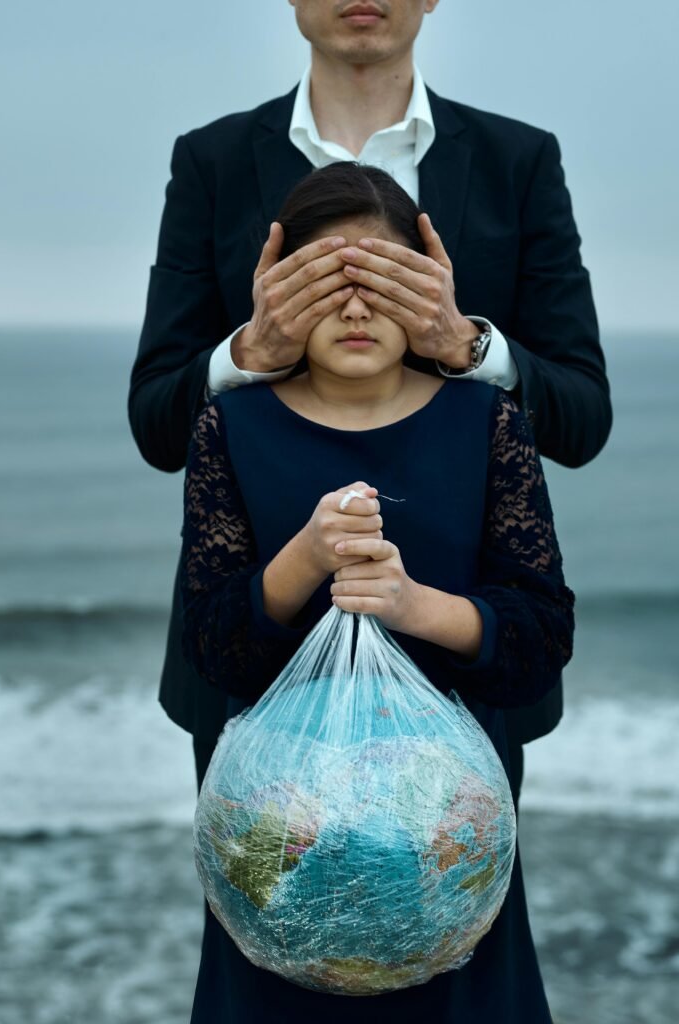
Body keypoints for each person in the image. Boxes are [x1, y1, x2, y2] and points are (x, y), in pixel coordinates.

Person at [129, 0, 610, 803]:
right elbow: (154, 424)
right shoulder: (212, 159)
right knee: (264, 874)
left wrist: (462, 343)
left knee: (453, 873)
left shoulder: (516, 159)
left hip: (463, 683)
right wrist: (252, 352)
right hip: (251, 683)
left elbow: (582, 417)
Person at [180, 160, 574, 1023]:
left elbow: (540, 635)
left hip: (440, 821)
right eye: (327, 282)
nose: (356, 309)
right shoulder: (230, 425)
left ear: (429, 287)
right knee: (273, 985)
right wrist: (303, 560)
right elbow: (213, 646)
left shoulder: (487, 419)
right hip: (280, 823)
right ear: (277, 289)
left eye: (382, 281)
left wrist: (409, 605)